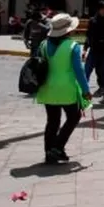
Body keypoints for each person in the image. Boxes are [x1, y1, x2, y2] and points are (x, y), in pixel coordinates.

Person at [35, 13, 91, 164]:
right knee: (74, 117)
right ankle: (57, 147)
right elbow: (79, 71)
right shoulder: (73, 46)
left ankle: (49, 152)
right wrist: (86, 90)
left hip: (47, 87)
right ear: (68, 31)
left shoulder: (44, 45)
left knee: (52, 121)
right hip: (67, 88)